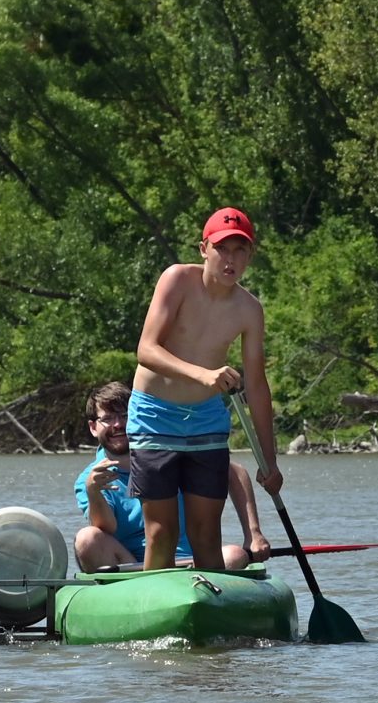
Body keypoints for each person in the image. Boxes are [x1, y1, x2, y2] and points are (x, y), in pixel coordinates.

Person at [128, 207, 283, 572]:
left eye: (240, 251)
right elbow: (146, 349)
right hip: (154, 415)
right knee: (162, 533)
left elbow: (257, 386)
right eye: (222, 249)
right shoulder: (177, 279)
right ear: (203, 249)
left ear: (249, 256)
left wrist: (270, 461)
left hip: (206, 421)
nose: (231, 260)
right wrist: (202, 375)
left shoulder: (250, 309)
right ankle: (157, 601)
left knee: (206, 534)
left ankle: (211, 604)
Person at [72, 381, 272, 571]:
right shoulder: (88, 479)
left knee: (234, 555)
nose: (117, 424)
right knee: (86, 538)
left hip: (190, 561)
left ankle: (196, 582)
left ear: (136, 418)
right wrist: (93, 492)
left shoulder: (166, 454)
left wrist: (253, 533)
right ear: (93, 427)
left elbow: (235, 472)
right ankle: (140, 588)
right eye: (107, 419)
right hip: (131, 568)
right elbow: (107, 528)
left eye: (125, 415)